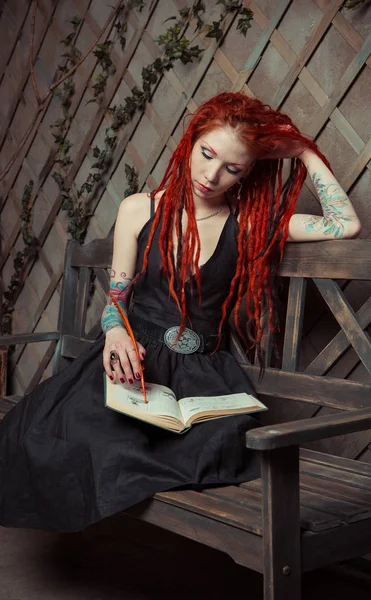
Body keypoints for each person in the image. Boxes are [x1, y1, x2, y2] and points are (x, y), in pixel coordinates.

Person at [0, 93, 360, 533]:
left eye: (233, 167)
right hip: (133, 356)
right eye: (207, 154)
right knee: (83, 435)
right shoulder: (139, 208)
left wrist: (303, 151)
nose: (212, 175)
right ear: (190, 141)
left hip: (202, 373)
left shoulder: (247, 224)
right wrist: (114, 335)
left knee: (219, 447)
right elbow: (118, 298)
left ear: (249, 171)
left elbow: (346, 224)